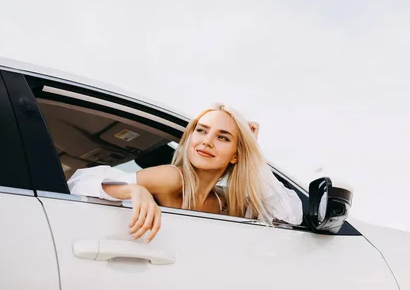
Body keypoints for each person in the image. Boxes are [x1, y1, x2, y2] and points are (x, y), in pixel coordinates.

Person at [67, 103, 304, 243]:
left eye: (222, 137)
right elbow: (78, 183)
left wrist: (255, 157)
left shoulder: (226, 200)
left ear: (236, 155)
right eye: (201, 131)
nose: (207, 142)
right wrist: (133, 190)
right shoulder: (173, 178)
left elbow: (291, 215)